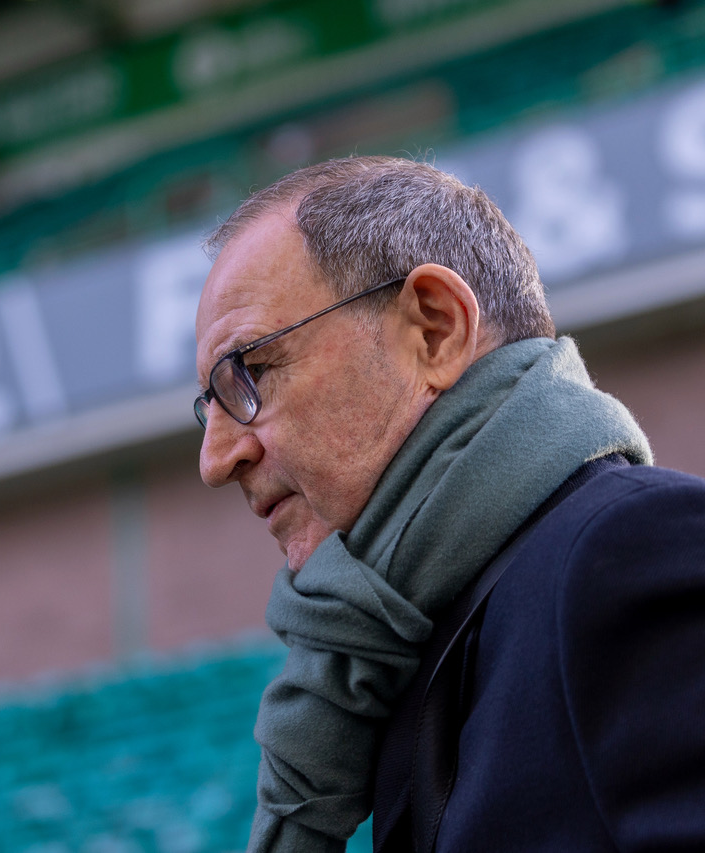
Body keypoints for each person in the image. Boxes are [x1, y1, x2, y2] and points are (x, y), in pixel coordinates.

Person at [193, 156, 705, 852]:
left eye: (248, 374)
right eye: (210, 408)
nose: (215, 459)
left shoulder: (633, 549)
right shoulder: (417, 654)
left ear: (434, 328)